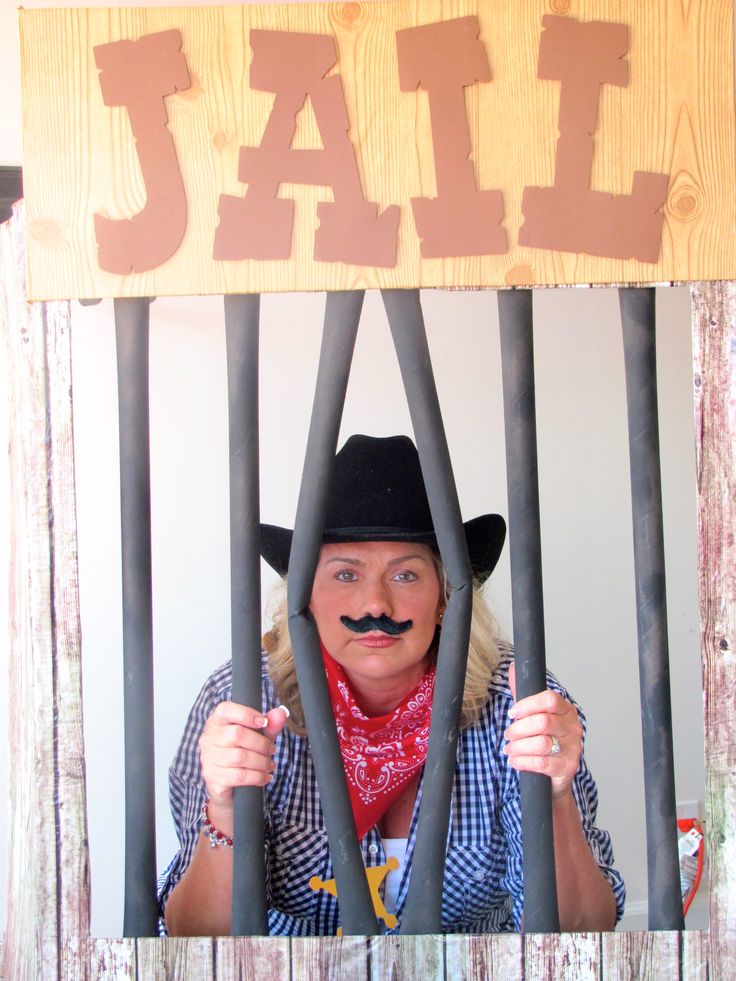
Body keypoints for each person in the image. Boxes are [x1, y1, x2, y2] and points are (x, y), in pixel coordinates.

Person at [159, 434, 624, 936]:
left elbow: (583, 933)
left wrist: (553, 795)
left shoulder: (515, 699)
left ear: (446, 595)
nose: (375, 605)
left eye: (405, 576)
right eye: (344, 574)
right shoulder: (242, 699)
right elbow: (194, 939)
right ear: (305, 596)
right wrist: (226, 810)